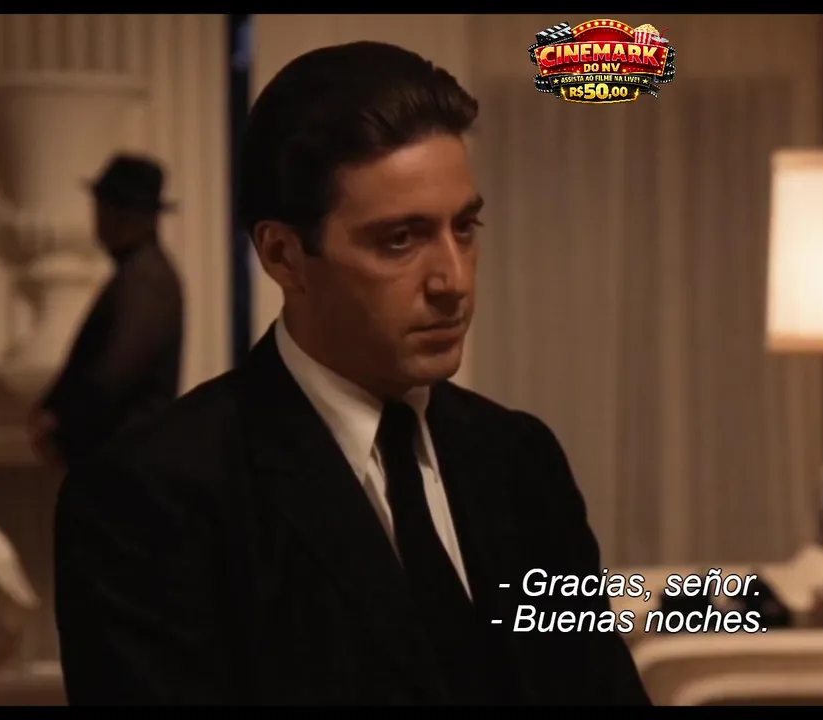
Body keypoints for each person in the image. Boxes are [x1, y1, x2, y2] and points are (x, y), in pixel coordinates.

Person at [54, 42, 651, 706]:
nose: (453, 280)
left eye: (465, 227)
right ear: (283, 256)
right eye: (400, 239)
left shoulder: (521, 462)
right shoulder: (150, 500)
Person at [32, 154, 184, 469]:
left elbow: (112, 377)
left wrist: (61, 427)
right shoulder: (140, 274)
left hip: (126, 462)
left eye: (105, 209)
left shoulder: (146, 280)